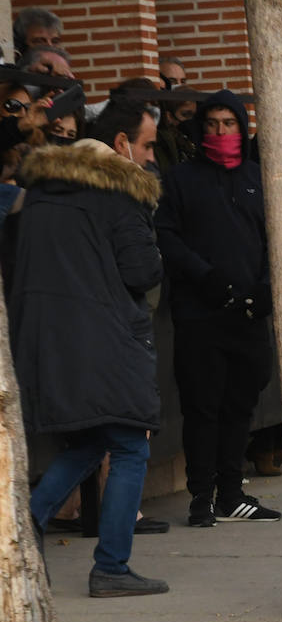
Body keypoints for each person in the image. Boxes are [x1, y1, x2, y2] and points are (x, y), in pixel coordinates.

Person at [11, 98, 168, 596]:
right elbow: (142, 272)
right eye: (146, 148)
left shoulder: (35, 195)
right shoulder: (120, 196)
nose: (147, 160)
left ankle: (27, 525)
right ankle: (112, 567)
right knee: (128, 444)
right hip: (108, 338)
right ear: (116, 151)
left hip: (47, 339)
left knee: (91, 439)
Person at [156, 89, 282, 525]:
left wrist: (266, 289)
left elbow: (276, 240)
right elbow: (167, 237)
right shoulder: (179, 180)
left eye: (229, 124)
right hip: (199, 315)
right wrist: (204, 277)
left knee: (239, 406)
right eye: (212, 125)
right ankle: (201, 497)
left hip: (248, 316)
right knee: (202, 408)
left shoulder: (259, 178)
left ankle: (233, 493)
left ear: (242, 128)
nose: (220, 132)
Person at [153, 89, 197, 176]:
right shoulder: (163, 143)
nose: (190, 120)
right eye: (185, 114)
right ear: (168, 116)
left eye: (194, 115)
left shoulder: (188, 141)